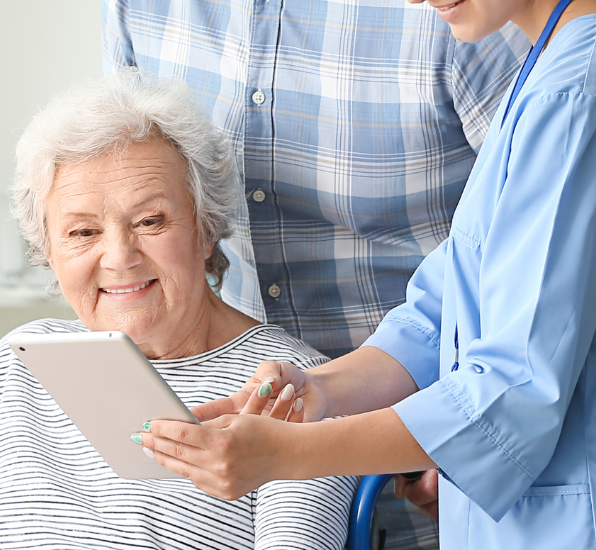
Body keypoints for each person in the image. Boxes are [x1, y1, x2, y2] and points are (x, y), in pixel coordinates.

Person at [133, 0, 596, 547]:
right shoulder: (553, 72)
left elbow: (509, 395)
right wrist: (316, 392)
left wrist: (285, 455)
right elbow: (444, 314)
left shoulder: (580, 97)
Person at [104, 2, 528, 543]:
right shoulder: (136, 8)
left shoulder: (458, 11)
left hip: (436, 458)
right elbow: (121, 185)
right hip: (236, 459)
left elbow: (527, 255)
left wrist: (457, 440)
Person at [0, 70, 353, 550]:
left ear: (206, 230)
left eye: (150, 221)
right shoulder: (14, 363)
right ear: (49, 251)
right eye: (82, 232)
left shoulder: (296, 388)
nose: (119, 256)